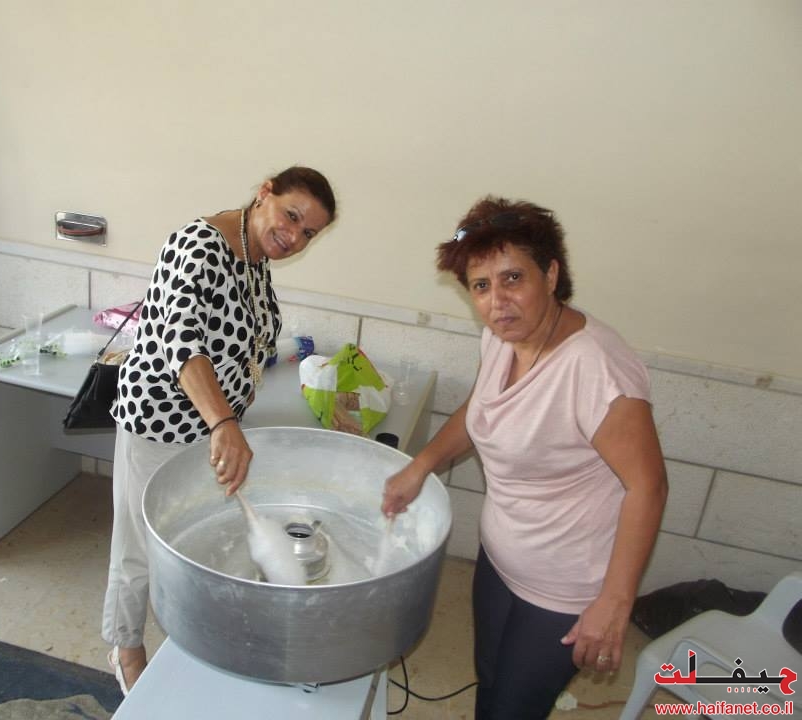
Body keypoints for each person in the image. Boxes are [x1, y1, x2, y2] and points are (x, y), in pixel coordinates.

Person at [382, 196, 667, 720]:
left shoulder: (597, 368)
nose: (498, 302)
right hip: (501, 555)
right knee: (490, 676)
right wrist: (420, 466)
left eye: (513, 278)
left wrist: (614, 601)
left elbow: (648, 486)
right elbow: (481, 409)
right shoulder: (503, 339)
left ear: (551, 274)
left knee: (514, 709)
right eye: (481, 286)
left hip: (565, 586)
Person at [103, 166, 337, 694]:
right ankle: (125, 648)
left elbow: (246, 341)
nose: (294, 236)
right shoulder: (197, 247)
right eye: (291, 216)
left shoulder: (254, 257)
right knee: (139, 547)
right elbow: (183, 343)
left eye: (308, 233)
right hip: (159, 422)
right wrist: (225, 422)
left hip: (211, 427)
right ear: (264, 192)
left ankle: (192, 644)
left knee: (192, 544)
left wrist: (232, 413)